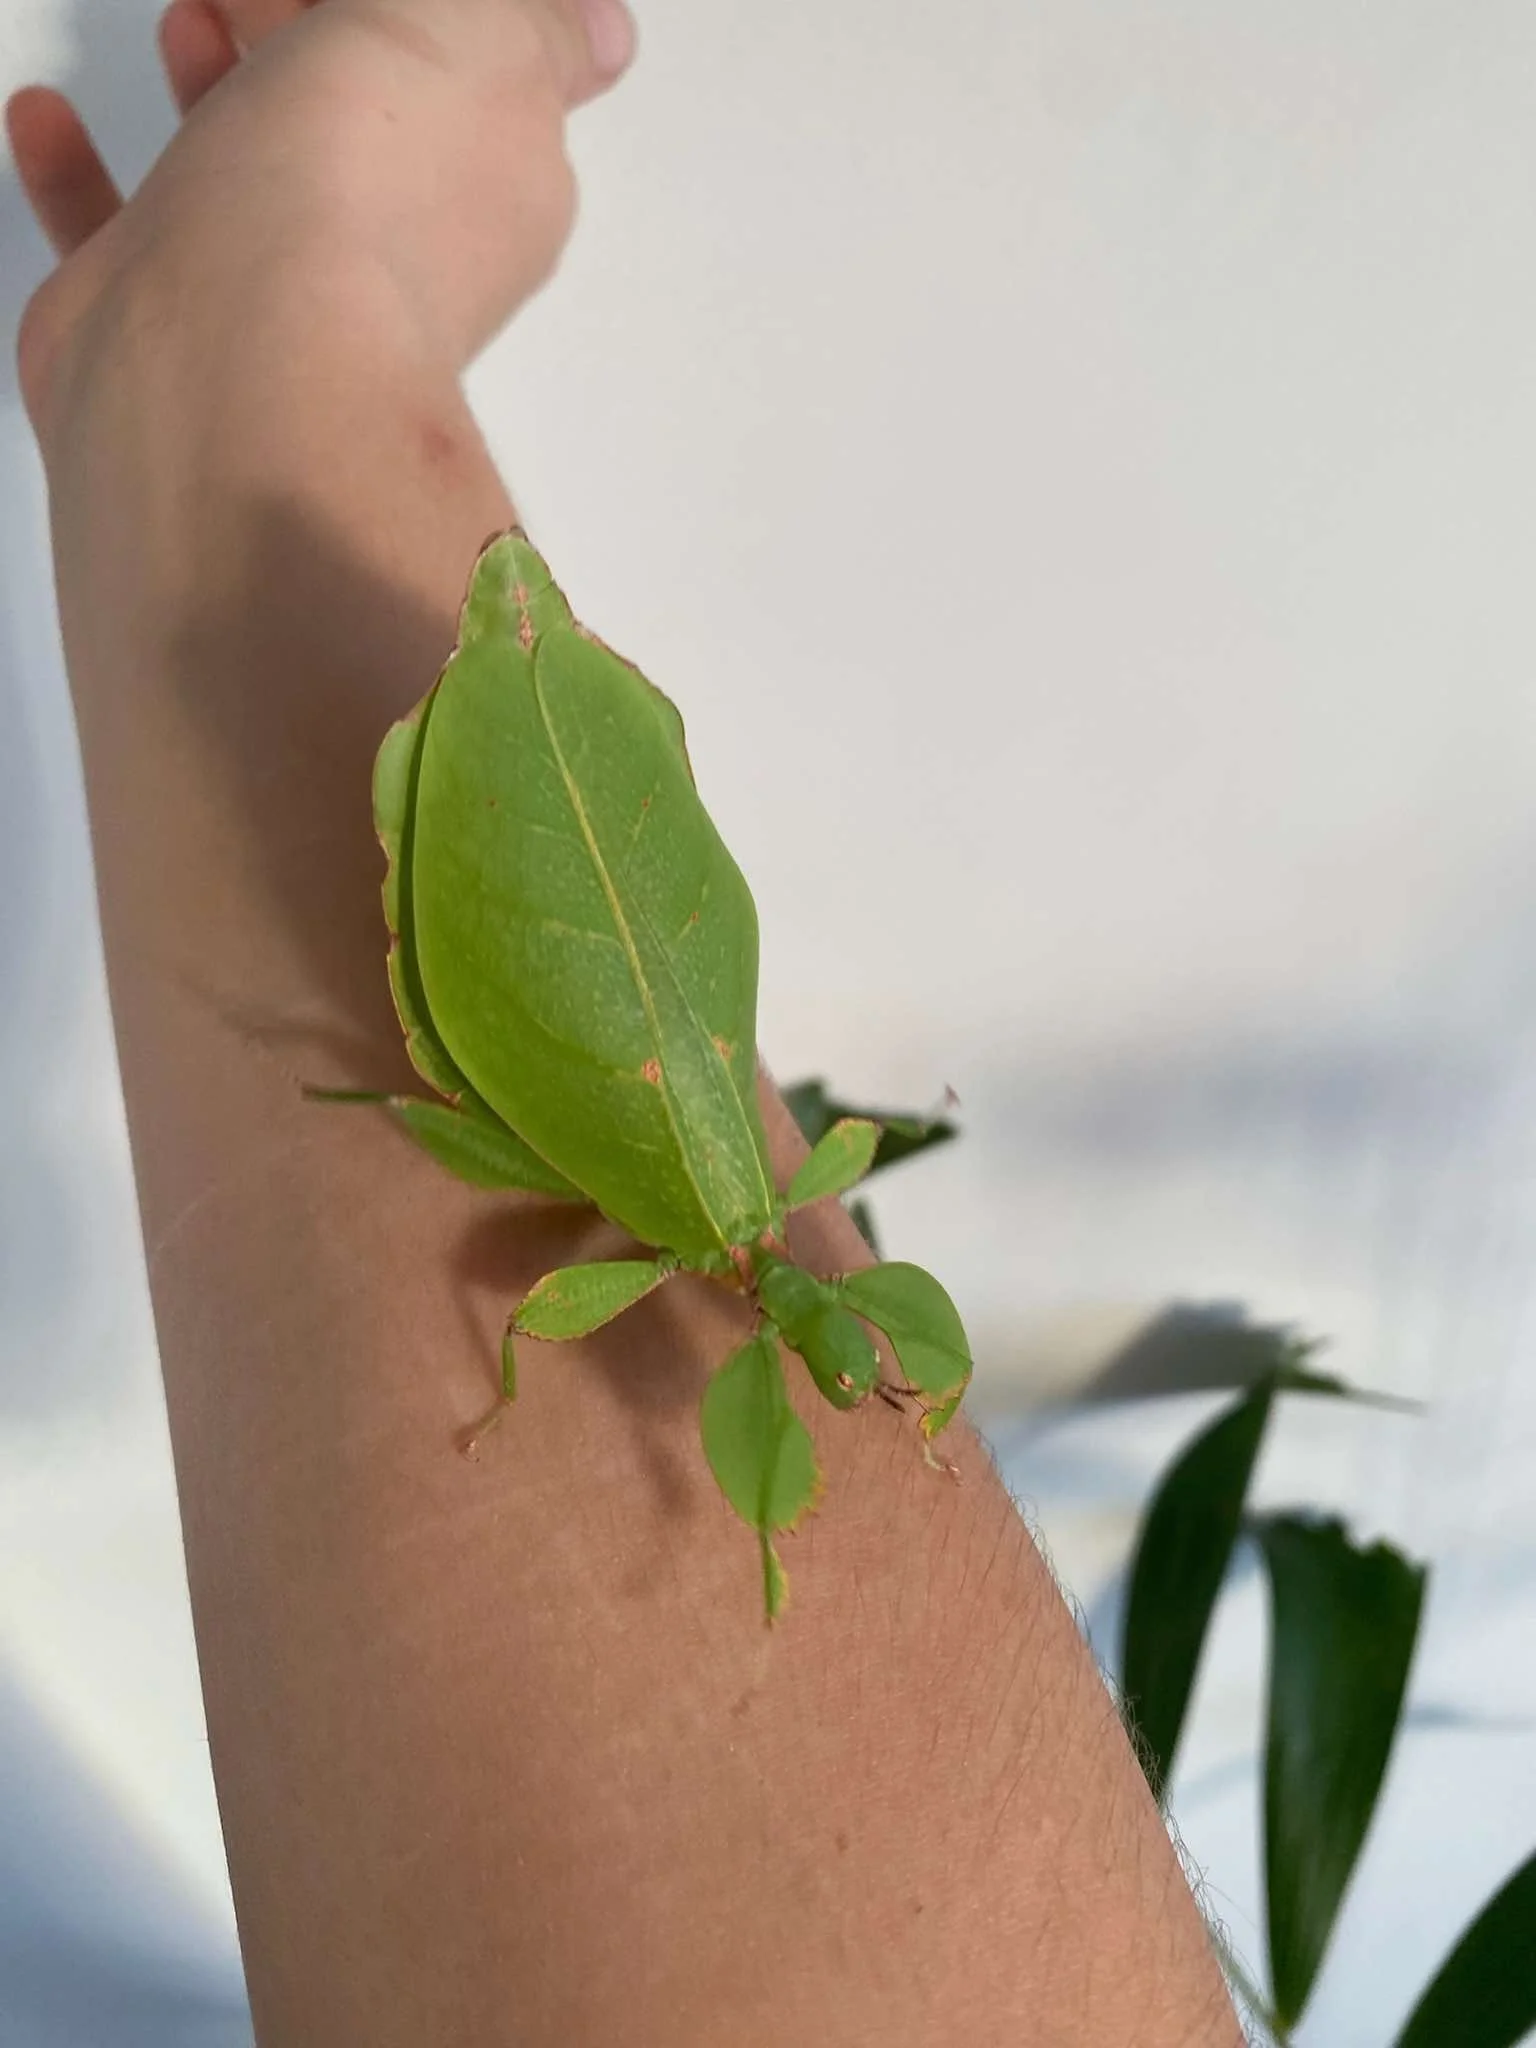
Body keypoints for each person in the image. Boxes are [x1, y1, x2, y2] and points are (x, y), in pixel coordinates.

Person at [5, 5, 1243, 2040]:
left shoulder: (795, 1228)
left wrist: (257, 330)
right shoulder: (758, 1235)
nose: (877, 1372)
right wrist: (245, 347)